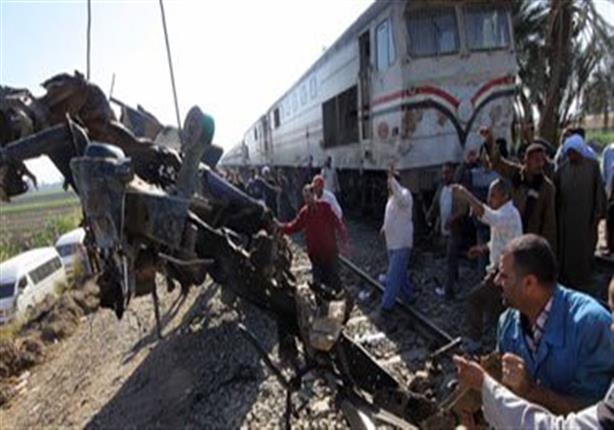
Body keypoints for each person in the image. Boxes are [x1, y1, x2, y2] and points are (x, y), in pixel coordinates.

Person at [454, 236, 614, 424]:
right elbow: (505, 395)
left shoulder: (591, 325)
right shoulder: (507, 324)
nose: (496, 281)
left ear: (529, 283)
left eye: (504, 276)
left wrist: (531, 392)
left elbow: (597, 418)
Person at [453, 179, 522, 352]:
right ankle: (503, 346)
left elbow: (488, 215)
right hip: (503, 271)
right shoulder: (505, 213)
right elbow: (501, 240)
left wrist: (466, 194)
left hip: (503, 273)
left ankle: (475, 343)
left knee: (474, 299)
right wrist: (482, 248)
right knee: (499, 311)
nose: (490, 200)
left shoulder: (508, 214)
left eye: (493, 196)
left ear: (505, 196)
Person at [482, 127, 557, 252]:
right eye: (536, 160)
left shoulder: (547, 188)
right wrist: (489, 141)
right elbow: (497, 163)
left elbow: (549, 225)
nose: (540, 164)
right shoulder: (516, 174)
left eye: (542, 161)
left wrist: (546, 251)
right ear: (526, 160)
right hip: (512, 236)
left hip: (531, 243)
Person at [554, 134, 606, 291]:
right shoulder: (562, 169)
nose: (571, 156)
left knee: (584, 250)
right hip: (566, 219)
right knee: (567, 252)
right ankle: (567, 280)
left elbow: (599, 192)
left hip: (585, 218)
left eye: (573, 153)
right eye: (569, 153)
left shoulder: (592, 167)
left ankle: (583, 280)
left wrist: (597, 214)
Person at [279, 184, 349, 293]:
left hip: (329, 251)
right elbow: (294, 226)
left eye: (308, 196)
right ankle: (321, 299)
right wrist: (281, 227)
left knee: (334, 279)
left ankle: (338, 296)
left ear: (314, 195)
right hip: (315, 253)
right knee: (318, 281)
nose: (306, 200)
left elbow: (337, 223)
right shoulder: (305, 213)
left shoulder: (325, 207)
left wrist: (344, 240)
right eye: (305, 197)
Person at [426, 163, 468, 298]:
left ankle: (448, 290)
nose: (445, 176)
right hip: (444, 229)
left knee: (450, 258)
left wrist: (453, 219)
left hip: (455, 229)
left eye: (448, 173)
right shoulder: (441, 187)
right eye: (443, 173)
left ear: (453, 173)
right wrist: (429, 216)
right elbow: (435, 204)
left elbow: (463, 209)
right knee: (451, 257)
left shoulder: (458, 189)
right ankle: (455, 279)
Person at [380, 165, 414, 310]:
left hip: (401, 244)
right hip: (392, 243)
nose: (388, 187)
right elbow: (391, 216)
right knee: (400, 274)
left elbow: (401, 200)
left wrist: (391, 179)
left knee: (393, 277)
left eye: (391, 184)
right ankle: (409, 295)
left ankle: (386, 307)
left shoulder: (405, 195)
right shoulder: (391, 199)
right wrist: (384, 227)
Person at [602, 143, 614, 253]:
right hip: (611, 193)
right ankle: (610, 246)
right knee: (610, 220)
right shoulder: (608, 151)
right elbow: (605, 174)